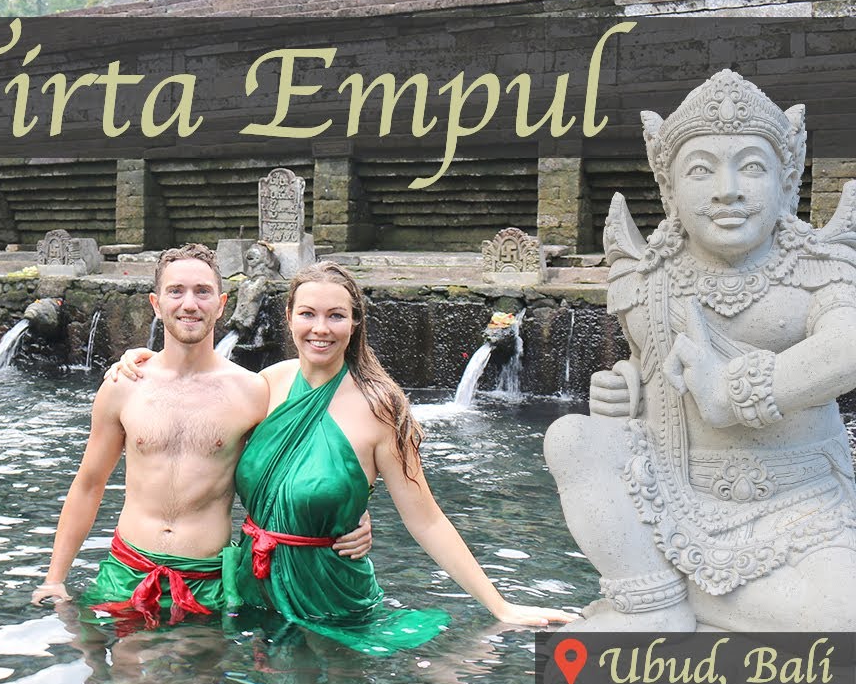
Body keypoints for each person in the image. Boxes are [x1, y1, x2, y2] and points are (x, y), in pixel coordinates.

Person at [111, 261, 575, 653]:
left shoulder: (381, 408)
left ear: (355, 323)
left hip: (329, 591)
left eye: (336, 316)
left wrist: (500, 606)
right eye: (308, 313)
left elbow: (427, 519)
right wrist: (142, 358)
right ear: (289, 317)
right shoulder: (263, 386)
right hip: (254, 590)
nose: (320, 328)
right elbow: (197, 431)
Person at [544, 69, 856, 638]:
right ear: (668, 191)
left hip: (798, 505)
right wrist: (627, 388)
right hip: (673, 493)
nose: (728, 190)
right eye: (700, 170)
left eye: (753, 166)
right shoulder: (649, 282)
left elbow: (847, 348)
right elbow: (650, 371)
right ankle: (654, 600)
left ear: (788, 185)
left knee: (843, 622)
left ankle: (693, 601)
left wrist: (735, 390)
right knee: (572, 439)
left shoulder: (817, 272)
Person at [30, 244, 370, 627]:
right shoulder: (124, 385)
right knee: (120, 682)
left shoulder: (255, 392)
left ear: (222, 303)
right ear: (156, 304)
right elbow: (89, 484)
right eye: (176, 291)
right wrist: (55, 578)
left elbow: (304, 462)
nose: (189, 303)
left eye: (202, 292)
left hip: (208, 580)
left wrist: (353, 513)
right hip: (126, 570)